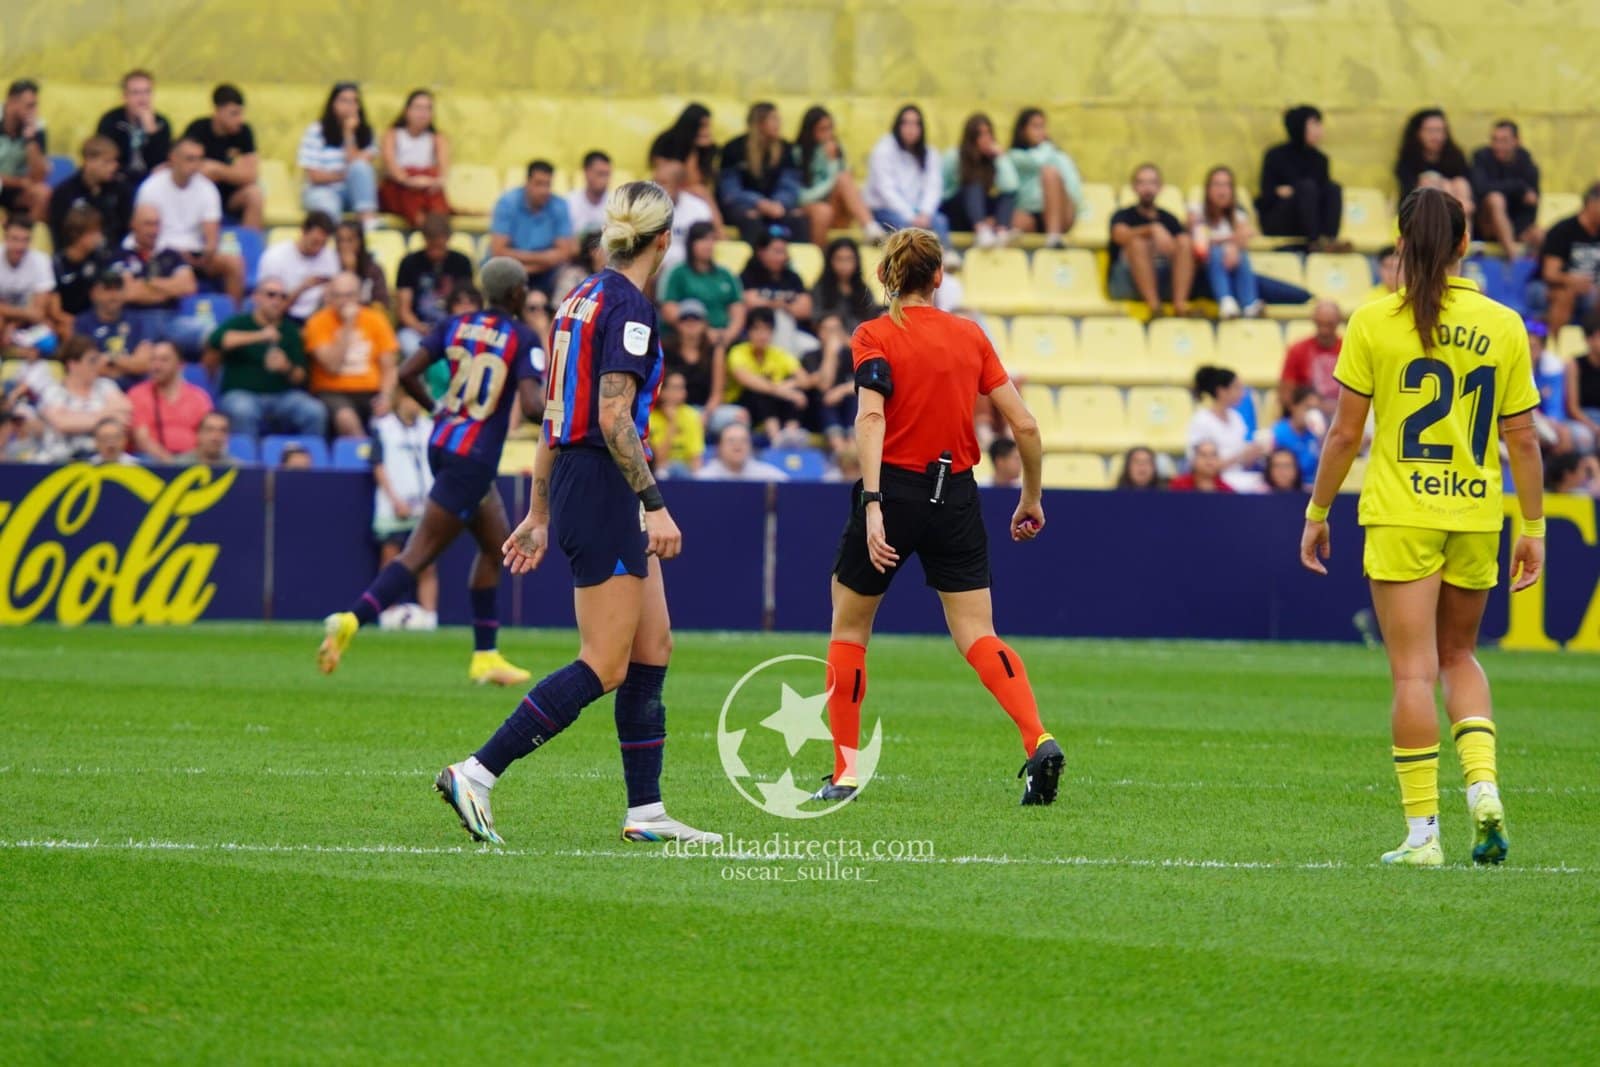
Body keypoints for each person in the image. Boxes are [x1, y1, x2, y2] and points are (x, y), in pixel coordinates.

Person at [438, 183, 719, 847]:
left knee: (653, 648)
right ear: (663, 240)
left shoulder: (580, 296)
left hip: (578, 475)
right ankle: (476, 771)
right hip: (604, 483)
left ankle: (646, 811)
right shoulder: (629, 307)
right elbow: (611, 415)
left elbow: (555, 414)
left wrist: (537, 510)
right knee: (605, 661)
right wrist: (656, 505)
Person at [1299, 186, 1544, 867]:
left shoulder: (1375, 320)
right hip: (1473, 510)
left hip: (1402, 513)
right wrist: (1534, 525)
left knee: (1413, 673)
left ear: (1401, 243)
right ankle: (1484, 788)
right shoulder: (1503, 324)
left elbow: (1345, 434)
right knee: (1461, 656)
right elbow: (1522, 438)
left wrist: (1318, 512)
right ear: (1467, 243)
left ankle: (1422, 836)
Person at [814, 225, 1058, 806]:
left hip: (894, 489)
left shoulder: (874, 334)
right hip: (958, 493)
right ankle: (1037, 738)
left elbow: (870, 419)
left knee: (850, 629)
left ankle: (845, 773)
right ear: (939, 276)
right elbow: (1025, 425)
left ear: (884, 277)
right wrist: (1031, 497)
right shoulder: (969, 336)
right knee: (978, 632)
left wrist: (873, 505)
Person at [318, 258, 543, 686]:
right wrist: (562, 413)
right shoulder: (521, 336)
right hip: (472, 458)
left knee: (498, 547)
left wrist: (436, 410)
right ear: (516, 293)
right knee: (419, 553)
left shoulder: (456, 324)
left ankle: (486, 656)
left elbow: (406, 372)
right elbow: (532, 405)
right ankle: (352, 618)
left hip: (442, 443)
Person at [207, 275, 326, 438]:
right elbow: (216, 340)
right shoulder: (240, 322)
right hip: (242, 394)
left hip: (282, 397)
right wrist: (260, 336)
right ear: (256, 297)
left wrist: (286, 367)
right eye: (271, 295)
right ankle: (247, 462)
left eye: (282, 296)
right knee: (243, 410)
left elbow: (301, 376)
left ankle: (306, 461)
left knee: (314, 411)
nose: (277, 300)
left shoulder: (290, 330)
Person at [134, 135, 245, 302]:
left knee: (235, 263)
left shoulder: (208, 189)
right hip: (160, 250)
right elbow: (142, 230)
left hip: (194, 253)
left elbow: (211, 237)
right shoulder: (151, 187)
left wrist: (205, 255)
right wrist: (175, 255)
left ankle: (232, 316)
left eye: (199, 159)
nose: (195, 165)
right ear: (173, 158)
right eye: (190, 159)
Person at [370, 388, 438, 630]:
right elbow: (378, 465)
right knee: (391, 559)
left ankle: (430, 616)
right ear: (401, 399)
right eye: (412, 398)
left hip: (426, 505)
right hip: (394, 506)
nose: (416, 404)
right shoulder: (383, 427)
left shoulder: (429, 426)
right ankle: (387, 612)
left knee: (427, 560)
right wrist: (395, 500)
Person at [302, 271, 399, 436]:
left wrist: (386, 397)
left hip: (371, 390)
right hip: (332, 390)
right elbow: (332, 366)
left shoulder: (376, 320)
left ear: (359, 296)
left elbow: (389, 367)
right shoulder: (317, 322)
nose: (344, 302)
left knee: (392, 419)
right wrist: (348, 325)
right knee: (347, 419)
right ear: (329, 297)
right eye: (338, 296)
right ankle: (366, 458)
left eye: (349, 295)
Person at [1108, 163, 1193, 318]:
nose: (1147, 188)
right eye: (1142, 182)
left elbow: (1182, 249)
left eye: (1152, 183)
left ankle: (1180, 305)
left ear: (1160, 187)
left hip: (1164, 279)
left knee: (1185, 241)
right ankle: (1155, 308)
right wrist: (1151, 230)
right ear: (1134, 187)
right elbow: (1119, 236)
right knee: (1138, 243)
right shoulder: (1122, 215)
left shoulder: (1170, 219)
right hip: (1127, 280)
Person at [1256, 105, 1345, 250]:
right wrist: (1300, 191)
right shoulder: (1275, 155)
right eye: (1315, 124)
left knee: (1333, 188)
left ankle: (1329, 240)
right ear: (1299, 126)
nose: (1320, 130)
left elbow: (1323, 193)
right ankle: (1315, 241)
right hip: (1280, 220)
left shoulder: (1320, 159)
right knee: (1307, 187)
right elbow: (1267, 195)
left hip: (1312, 219)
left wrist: (1293, 191)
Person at [717, 101, 806, 244]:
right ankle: (755, 262)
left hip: (777, 205)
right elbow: (730, 192)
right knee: (751, 218)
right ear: (759, 123)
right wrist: (759, 203)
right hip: (745, 205)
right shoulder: (733, 148)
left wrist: (779, 203)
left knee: (797, 218)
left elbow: (790, 185)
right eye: (774, 119)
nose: (779, 124)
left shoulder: (787, 148)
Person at [792, 106, 880, 246]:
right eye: (823, 129)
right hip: (812, 209)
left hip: (837, 210)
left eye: (830, 128)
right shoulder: (797, 153)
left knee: (845, 178)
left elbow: (846, 186)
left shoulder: (836, 149)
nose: (828, 134)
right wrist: (833, 169)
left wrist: (836, 163)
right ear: (810, 130)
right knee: (824, 209)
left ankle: (871, 228)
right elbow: (802, 197)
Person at [864, 105, 949, 248]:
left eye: (915, 124)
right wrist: (911, 216)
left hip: (919, 212)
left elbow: (933, 187)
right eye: (906, 123)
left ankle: (946, 257)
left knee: (940, 221)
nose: (911, 128)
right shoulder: (883, 150)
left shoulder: (929, 153)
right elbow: (886, 190)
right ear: (898, 125)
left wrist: (925, 213)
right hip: (886, 210)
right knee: (905, 227)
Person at [489, 160, 575, 298]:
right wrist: (544, 258)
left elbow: (564, 253)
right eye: (539, 184)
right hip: (511, 270)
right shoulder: (507, 203)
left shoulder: (559, 205)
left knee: (569, 274)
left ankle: (557, 316)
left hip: (547, 273)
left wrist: (529, 265)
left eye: (547, 184)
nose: (544, 191)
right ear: (527, 182)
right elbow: (498, 251)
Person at [36, 336, 131, 462]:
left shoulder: (105, 385)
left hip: (101, 458)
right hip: (60, 461)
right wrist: (105, 415)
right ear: (72, 365)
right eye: (92, 361)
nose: (98, 365)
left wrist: (75, 417)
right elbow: (62, 424)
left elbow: (125, 411)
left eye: (97, 360)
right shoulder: (53, 391)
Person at [182, 84, 262, 229]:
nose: (240, 119)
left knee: (255, 194)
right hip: (200, 194)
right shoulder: (198, 129)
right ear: (217, 111)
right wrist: (234, 172)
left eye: (241, 113)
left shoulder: (244, 132)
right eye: (234, 114)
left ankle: (251, 246)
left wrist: (218, 170)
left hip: (231, 196)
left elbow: (251, 175)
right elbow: (188, 168)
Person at [396, 212, 475, 359]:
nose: (435, 253)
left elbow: (468, 304)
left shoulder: (462, 263)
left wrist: (449, 328)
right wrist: (421, 328)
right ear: (424, 240)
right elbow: (403, 310)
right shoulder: (409, 263)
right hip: (416, 328)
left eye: (440, 247)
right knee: (413, 350)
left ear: (448, 239)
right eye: (431, 247)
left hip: (453, 326)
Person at [298, 82, 377, 227]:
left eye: (354, 101)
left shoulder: (366, 133)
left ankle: (368, 224)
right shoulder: (316, 130)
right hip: (322, 190)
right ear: (333, 104)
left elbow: (358, 168)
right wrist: (342, 176)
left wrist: (348, 134)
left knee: (361, 168)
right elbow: (314, 176)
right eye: (344, 100)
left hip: (352, 192)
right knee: (328, 208)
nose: (349, 106)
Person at [724, 307, 807, 443]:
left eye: (767, 330)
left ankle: (791, 434)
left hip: (775, 406)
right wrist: (781, 391)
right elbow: (746, 379)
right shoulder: (737, 352)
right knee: (761, 392)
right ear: (748, 332)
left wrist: (787, 387)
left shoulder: (778, 354)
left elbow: (804, 379)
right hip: (742, 405)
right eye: (757, 329)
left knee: (793, 392)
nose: (762, 335)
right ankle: (775, 439)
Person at [1190, 165, 1262, 319]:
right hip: (1200, 270)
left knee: (1240, 254)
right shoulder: (1196, 210)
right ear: (1208, 189)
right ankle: (1226, 301)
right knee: (1216, 252)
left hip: (1232, 268)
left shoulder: (1238, 215)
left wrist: (1234, 246)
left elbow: (1249, 234)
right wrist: (1230, 242)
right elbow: (1199, 240)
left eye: (1227, 185)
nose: (1222, 190)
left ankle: (1249, 304)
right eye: (1217, 184)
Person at [1006, 107, 1082, 248]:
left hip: (1061, 214)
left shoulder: (1058, 156)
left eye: (1043, 126)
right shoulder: (1014, 156)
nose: (1041, 132)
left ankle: (1054, 237)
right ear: (1022, 130)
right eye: (1035, 127)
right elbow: (1035, 161)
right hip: (1030, 214)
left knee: (1050, 173)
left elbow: (1073, 185)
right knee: (1006, 219)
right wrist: (1048, 147)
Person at [659, 220, 744, 344]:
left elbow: (738, 309)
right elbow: (669, 310)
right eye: (703, 240)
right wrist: (703, 332)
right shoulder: (676, 273)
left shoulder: (726, 274)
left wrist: (728, 335)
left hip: (724, 338)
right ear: (691, 243)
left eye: (712, 240)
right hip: (686, 340)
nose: (708, 245)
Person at [127, 339, 212, 462]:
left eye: (164, 360)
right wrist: (172, 464)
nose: (156, 366)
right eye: (153, 360)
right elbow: (142, 440)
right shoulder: (138, 394)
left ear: (180, 364)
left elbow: (207, 435)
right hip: (153, 461)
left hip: (192, 460)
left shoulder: (199, 397)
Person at [378, 89, 452, 228]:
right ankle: (427, 228)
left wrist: (431, 182)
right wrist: (410, 181)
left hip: (427, 186)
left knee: (435, 195)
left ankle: (437, 228)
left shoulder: (437, 138)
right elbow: (391, 166)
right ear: (407, 110)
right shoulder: (392, 134)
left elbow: (443, 172)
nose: (422, 113)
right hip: (400, 186)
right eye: (418, 108)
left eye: (427, 109)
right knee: (409, 194)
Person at [943, 113, 1018, 249]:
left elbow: (1011, 187)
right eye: (981, 134)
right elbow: (941, 190)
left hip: (980, 212)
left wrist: (1001, 157)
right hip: (955, 212)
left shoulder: (992, 160)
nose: (986, 139)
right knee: (973, 184)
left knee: (1006, 196)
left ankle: (1001, 232)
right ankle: (981, 229)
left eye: (988, 133)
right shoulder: (954, 156)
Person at [1536, 182, 1600, 338]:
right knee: (1565, 295)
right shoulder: (1563, 230)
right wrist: (1573, 281)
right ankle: (1552, 348)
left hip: (1591, 291)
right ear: (1592, 204)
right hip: (1549, 287)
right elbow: (1550, 274)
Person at [1469, 120, 1540, 257]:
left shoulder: (1528, 165)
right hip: (1485, 224)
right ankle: (1513, 259)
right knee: (1495, 199)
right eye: (1495, 140)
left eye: (1504, 140)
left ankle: (1534, 276)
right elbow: (1480, 189)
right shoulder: (1481, 158)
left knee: (1540, 234)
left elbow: (1532, 205)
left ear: (1516, 141)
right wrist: (1519, 188)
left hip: (1515, 225)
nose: (1498, 145)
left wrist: (1519, 230)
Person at [648, 103, 723, 231]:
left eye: (708, 126)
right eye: (702, 126)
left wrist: (696, 149)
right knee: (702, 192)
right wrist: (691, 149)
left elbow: (700, 178)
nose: (707, 131)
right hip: (670, 188)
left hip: (693, 190)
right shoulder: (667, 141)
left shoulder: (706, 149)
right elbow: (666, 176)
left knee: (704, 191)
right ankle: (719, 232)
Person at [48, 135, 131, 251]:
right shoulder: (65, 192)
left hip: (112, 256)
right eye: (107, 162)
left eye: (115, 161)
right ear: (89, 161)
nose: (114, 166)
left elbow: (125, 229)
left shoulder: (120, 190)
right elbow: (58, 233)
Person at [740, 227, 815, 351]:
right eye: (776, 251)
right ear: (761, 252)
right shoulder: (748, 276)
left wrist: (772, 303)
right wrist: (782, 305)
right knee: (780, 317)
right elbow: (748, 302)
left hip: (793, 333)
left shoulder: (793, 277)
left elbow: (806, 308)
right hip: (757, 335)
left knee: (813, 346)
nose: (782, 257)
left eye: (784, 252)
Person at [257, 211, 339, 323]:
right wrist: (303, 288)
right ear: (304, 232)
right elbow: (270, 304)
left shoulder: (330, 256)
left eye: (323, 244)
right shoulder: (275, 257)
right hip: (284, 316)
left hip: (319, 315)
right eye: (315, 242)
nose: (318, 249)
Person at [76, 269, 153, 385]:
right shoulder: (83, 323)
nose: (113, 295)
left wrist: (110, 358)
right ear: (94, 293)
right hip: (98, 390)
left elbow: (143, 364)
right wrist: (127, 366)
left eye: (118, 289)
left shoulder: (136, 321)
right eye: (107, 289)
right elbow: (88, 367)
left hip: (135, 389)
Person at [96, 70, 171, 188]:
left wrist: (151, 131)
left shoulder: (161, 123)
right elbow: (105, 158)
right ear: (125, 96)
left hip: (152, 182)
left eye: (147, 92)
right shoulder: (111, 121)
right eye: (136, 93)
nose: (142, 99)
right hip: (118, 181)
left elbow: (161, 162)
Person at [1189, 365, 1266, 474]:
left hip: (1239, 477)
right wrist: (1238, 458)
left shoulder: (1237, 418)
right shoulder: (1201, 420)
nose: (1242, 393)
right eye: (1237, 387)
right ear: (1221, 391)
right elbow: (1198, 464)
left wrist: (1254, 453)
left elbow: (1243, 461)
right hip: (1214, 481)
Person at [1395, 109, 1473, 214]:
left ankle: (1463, 229)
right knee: (1431, 183)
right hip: (1420, 213)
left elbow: (1468, 188)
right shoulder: (1409, 159)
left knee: (1460, 183)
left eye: (1440, 130)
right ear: (1418, 133)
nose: (1436, 136)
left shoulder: (1455, 156)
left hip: (1457, 211)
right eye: (1430, 130)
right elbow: (1408, 190)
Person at [0, 213, 55, 352]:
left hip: (26, 323)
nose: (19, 246)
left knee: (49, 342)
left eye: (25, 240)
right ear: (5, 237)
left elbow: (38, 312)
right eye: (15, 239)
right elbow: (31, 312)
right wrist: (23, 313)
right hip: (9, 318)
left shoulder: (41, 261)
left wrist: (12, 325)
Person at [1279, 299, 1344, 414]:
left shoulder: (1349, 349)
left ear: (1338, 322)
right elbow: (1286, 395)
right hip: (1308, 413)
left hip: (1344, 412)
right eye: (1320, 324)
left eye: (1329, 324)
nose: (1324, 330)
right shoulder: (1297, 350)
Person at [661, 298, 725, 415]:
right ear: (678, 323)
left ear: (705, 323)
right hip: (673, 408)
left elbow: (717, 394)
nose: (690, 323)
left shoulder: (715, 350)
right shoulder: (666, 348)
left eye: (696, 318)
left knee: (738, 417)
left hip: (706, 410)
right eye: (685, 319)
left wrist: (706, 415)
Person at [652, 159, 714, 279]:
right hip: (655, 267)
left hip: (689, 267)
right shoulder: (641, 208)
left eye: (663, 183)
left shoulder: (699, 209)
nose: (655, 188)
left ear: (680, 186)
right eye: (654, 182)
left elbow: (705, 244)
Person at [0, 79, 49, 223]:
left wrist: (30, 140)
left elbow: (39, 176)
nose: (33, 111)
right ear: (12, 102)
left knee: (42, 194)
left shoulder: (37, 127)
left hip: (16, 190)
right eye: (29, 106)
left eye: (35, 105)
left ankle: (23, 234)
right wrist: (20, 182)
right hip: (13, 182)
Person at [49, 204, 109, 322]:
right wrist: (78, 324)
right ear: (76, 234)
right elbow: (55, 311)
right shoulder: (57, 265)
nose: (99, 237)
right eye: (93, 233)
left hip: (95, 320)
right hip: (68, 321)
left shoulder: (100, 258)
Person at [648, 370, 706, 477]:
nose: (682, 392)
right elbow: (658, 460)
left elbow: (696, 457)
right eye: (676, 387)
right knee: (663, 472)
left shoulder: (692, 415)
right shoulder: (650, 418)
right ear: (662, 391)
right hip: (660, 471)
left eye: (683, 387)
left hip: (685, 471)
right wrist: (672, 423)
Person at [695, 420, 786, 481]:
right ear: (719, 447)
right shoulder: (705, 478)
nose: (737, 445)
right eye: (731, 441)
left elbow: (788, 488)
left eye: (743, 440)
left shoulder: (767, 476)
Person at [1564, 314, 1600, 455]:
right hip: (1584, 418)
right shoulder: (1575, 365)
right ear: (1589, 340)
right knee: (1583, 437)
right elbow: (1573, 408)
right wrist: (1594, 427)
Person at [334, 220, 389, 310]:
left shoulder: (373, 270)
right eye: (340, 240)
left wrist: (351, 271)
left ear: (361, 242)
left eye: (350, 240)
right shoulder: (330, 267)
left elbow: (381, 305)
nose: (344, 245)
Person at [1273, 385, 1324, 482]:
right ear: (1294, 406)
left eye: (1316, 409)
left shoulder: (1318, 435)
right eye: (1308, 408)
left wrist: (1323, 442)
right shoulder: (1278, 433)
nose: (1312, 413)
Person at [565, 150, 612, 238]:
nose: (605, 180)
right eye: (600, 174)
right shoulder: (569, 202)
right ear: (586, 172)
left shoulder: (616, 203)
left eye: (608, 174)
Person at [1167, 441, 1234, 493]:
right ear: (1193, 460)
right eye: (1203, 455)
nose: (1209, 460)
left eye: (1214, 455)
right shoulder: (1179, 486)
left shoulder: (1226, 491)